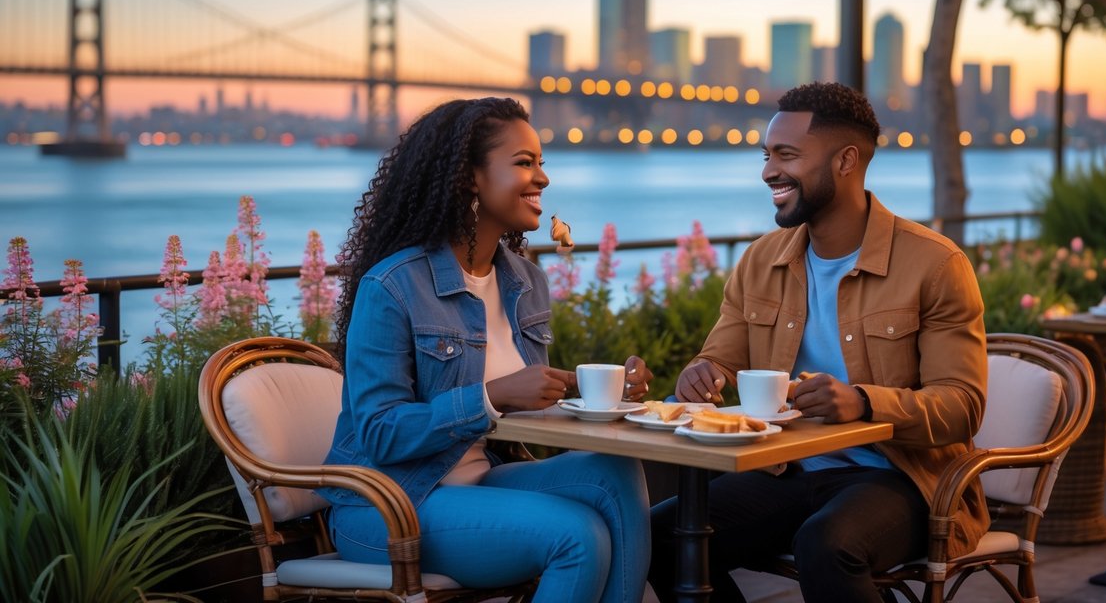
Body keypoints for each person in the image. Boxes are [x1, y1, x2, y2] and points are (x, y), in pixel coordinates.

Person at [648, 82, 989, 603]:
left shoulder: (935, 264)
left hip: (902, 479)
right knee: (657, 536)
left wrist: (863, 402)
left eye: (786, 155)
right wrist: (702, 374)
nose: (767, 171)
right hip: (785, 469)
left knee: (827, 545)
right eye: (767, 155)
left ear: (846, 161)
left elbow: (962, 407)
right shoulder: (760, 261)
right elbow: (720, 357)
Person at [320, 97, 653, 603]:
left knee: (616, 474)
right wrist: (492, 394)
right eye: (524, 163)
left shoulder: (525, 282)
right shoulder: (392, 286)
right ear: (469, 177)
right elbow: (381, 432)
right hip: (387, 503)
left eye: (542, 163)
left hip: (481, 482)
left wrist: (597, 391)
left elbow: (525, 401)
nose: (542, 178)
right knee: (578, 535)